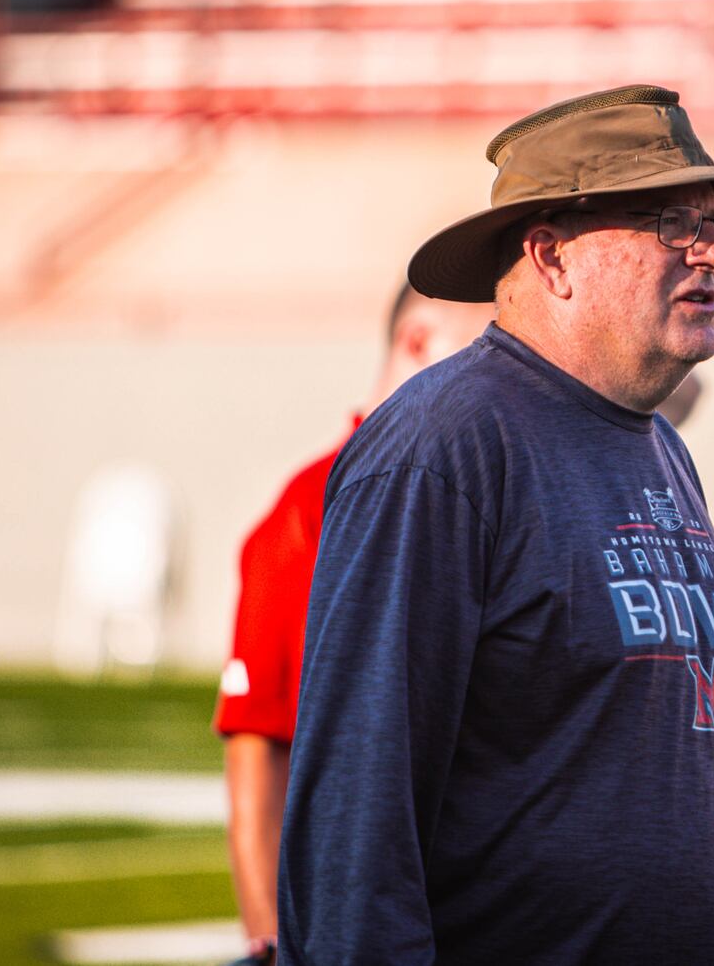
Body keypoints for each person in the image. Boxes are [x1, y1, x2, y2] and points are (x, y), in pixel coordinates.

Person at [277, 85, 714, 965]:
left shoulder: (662, 450)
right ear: (551, 255)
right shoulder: (442, 452)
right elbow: (356, 818)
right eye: (672, 222)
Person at [213, 283, 492, 965]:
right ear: (419, 341)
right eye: (488, 350)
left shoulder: (489, 479)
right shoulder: (315, 504)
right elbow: (260, 737)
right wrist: (272, 938)